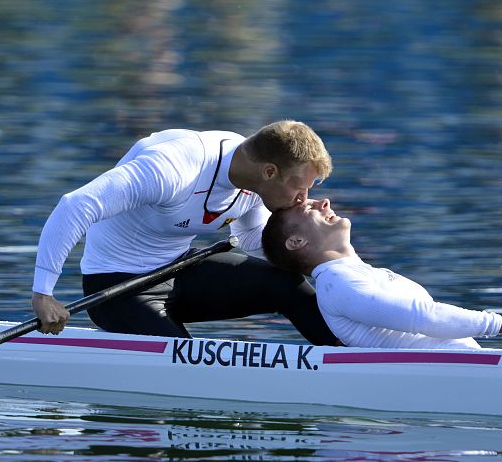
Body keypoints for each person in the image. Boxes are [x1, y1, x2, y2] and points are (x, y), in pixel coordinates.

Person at [31, 120, 340, 346]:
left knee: (288, 286)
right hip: (116, 285)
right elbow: (75, 206)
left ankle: (355, 359)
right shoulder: (172, 169)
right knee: (187, 357)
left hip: (178, 268)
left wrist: (327, 267)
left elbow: (251, 239)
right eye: (300, 187)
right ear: (269, 171)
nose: (303, 199)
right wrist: (43, 294)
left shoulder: (253, 174)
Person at [261, 198, 502, 350]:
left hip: (465, 371)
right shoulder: (338, 285)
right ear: (296, 242)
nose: (324, 202)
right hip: (450, 380)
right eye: (308, 208)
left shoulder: (358, 275)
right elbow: (423, 317)